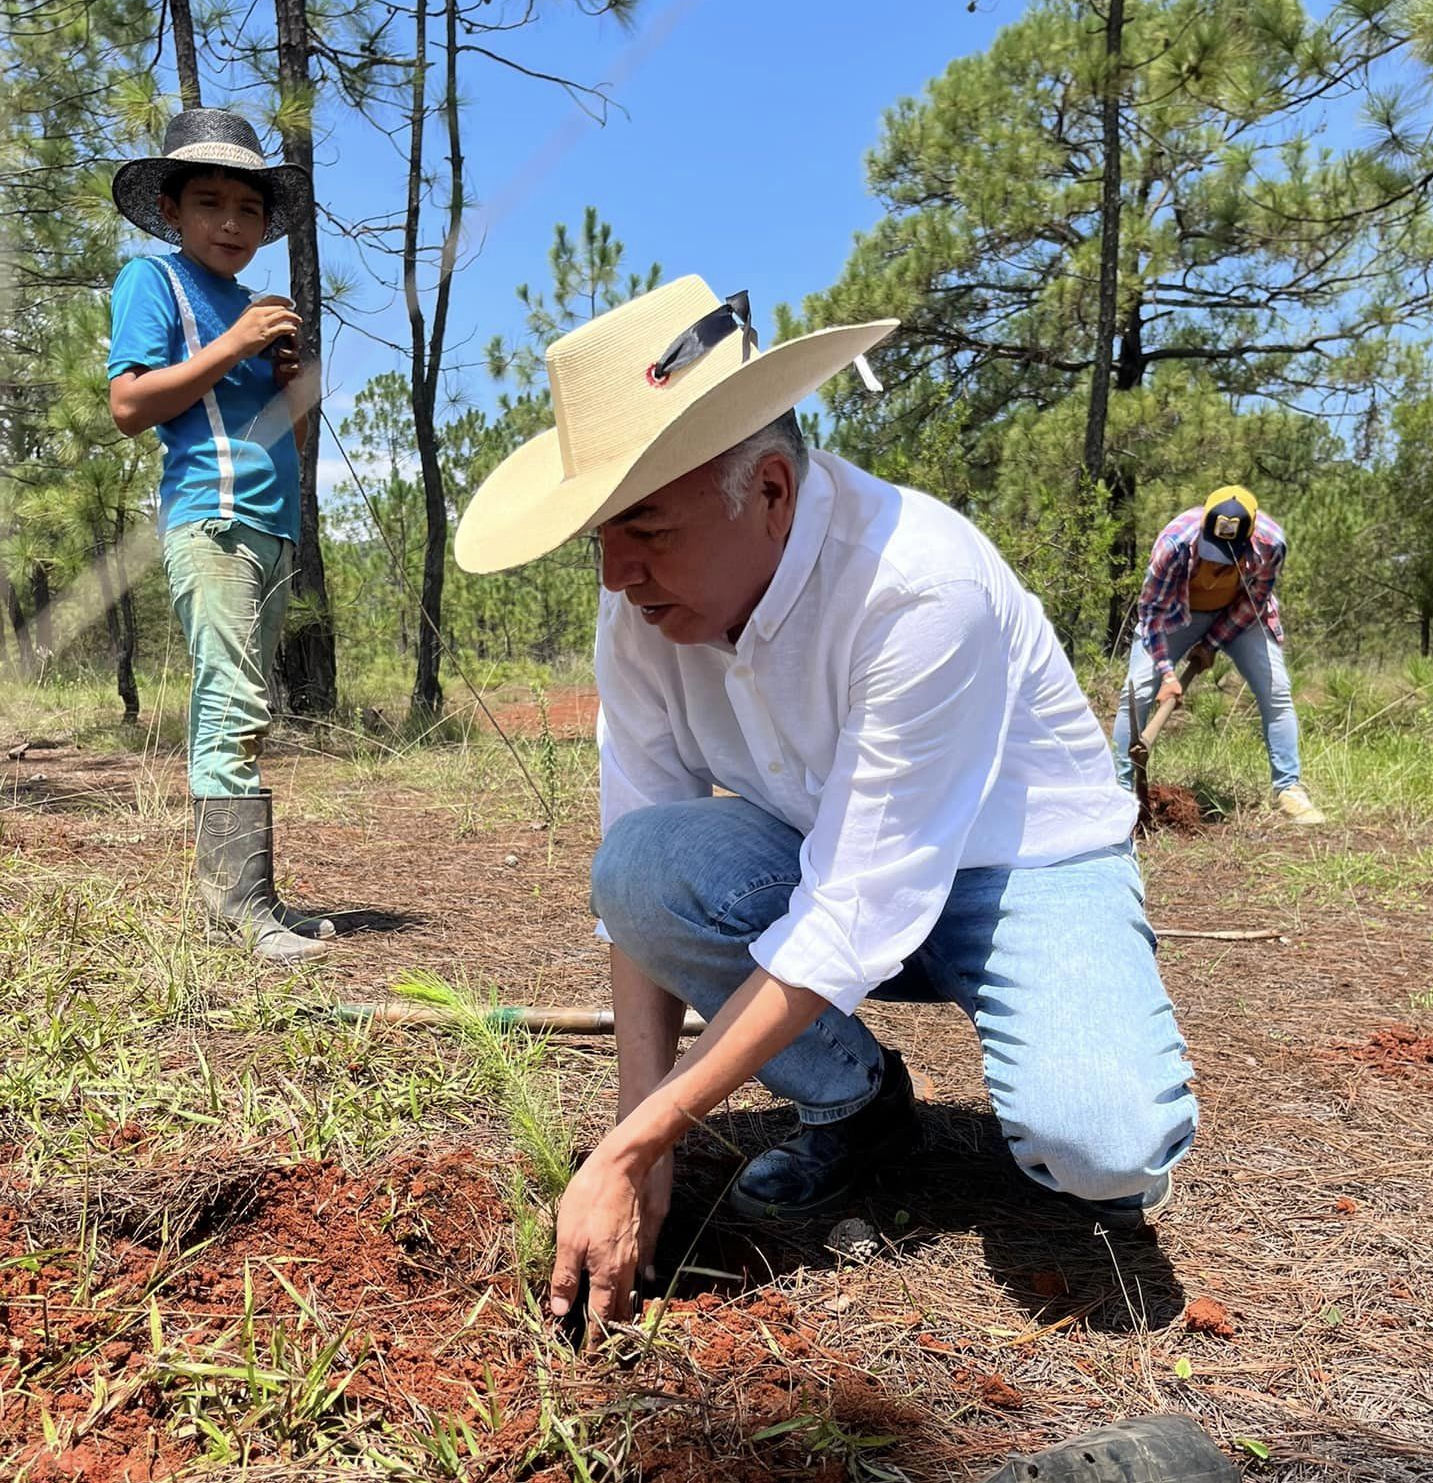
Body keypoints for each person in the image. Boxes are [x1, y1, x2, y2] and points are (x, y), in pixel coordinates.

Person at [456, 279, 1198, 1327]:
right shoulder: (640, 615)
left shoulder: (917, 587)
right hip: (827, 860)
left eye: (649, 529)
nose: (618, 570)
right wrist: (646, 1124)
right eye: (600, 539)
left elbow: (856, 909)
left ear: (767, 489)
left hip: (1020, 869)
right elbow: (639, 881)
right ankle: (857, 1102)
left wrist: (634, 1145)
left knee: (1098, 1151)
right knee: (641, 864)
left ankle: (1092, 1016)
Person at [108, 107, 332, 961]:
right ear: (171, 211)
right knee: (230, 705)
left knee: (247, 708)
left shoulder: (252, 306)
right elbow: (129, 406)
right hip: (213, 515)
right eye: (208, 203)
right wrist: (234, 342)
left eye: (247, 210)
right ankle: (239, 910)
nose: (231, 224)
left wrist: (291, 382)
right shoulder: (153, 283)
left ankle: (250, 896)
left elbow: (290, 439)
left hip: (271, 523)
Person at [1112, 486, 1325, 827]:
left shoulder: (1270, 545)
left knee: (1277, 692)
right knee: (1135, 692)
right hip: (1175, 615)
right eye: (1211, 550)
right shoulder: (1174, 544)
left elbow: (1253, 601)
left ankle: (1289, 788)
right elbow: (1151, 611)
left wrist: (1210, 645)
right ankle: (1121, 794)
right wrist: (1168, 675)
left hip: (1238, 615)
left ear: (1250, 537)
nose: (1215, 560)